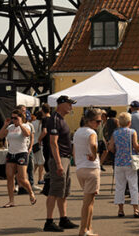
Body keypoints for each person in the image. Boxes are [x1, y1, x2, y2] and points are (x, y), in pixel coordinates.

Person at [42, 95, 78, 232]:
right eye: (69, 104)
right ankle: (49, 221)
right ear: (61, 104)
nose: (71, 107)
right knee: (55, 190)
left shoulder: (61, 119)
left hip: (65, 158)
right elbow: (53, 143)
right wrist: (58, 164)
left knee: (64, 190)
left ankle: (63, 218)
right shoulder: (55, 119)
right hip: (59, 158)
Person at [108, 111, 139, 218]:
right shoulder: (132, 132)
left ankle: (121, 210)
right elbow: (135, 145)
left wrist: (116, 152)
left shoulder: (115, 133)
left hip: (118, 162)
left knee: (120, 186)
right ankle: (136, 210)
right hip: (130, 162)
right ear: (129, 122)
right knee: (133, 186)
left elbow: (110, 147)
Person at [74, 108, 102, 236]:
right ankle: (83, 230)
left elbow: (74, 150)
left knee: (90, 200)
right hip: (91, 169)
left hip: (80, 168)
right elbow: (93, 145)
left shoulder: (78, 132)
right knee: (88, 202)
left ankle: (88, 228)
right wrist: (94, 155)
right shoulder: (91, 132)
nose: (99, 124)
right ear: (90, 121)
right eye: (98, 121)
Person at [0, 110, 35, 207]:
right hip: (11, 154)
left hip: (21, 153)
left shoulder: (26, 126)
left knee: (22, 179)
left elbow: (27, 134)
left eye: (15, 118)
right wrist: (5, 125)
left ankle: (31, 192)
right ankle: (11, 201)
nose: (13, 120)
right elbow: (0, 135)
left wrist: (20, 124)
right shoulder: (10, 127)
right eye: (12, 118)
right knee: (9, 177)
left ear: (21, 118)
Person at [30, 109, 46, 186]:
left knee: (36, 162)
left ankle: (30, 177)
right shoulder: (41, 123)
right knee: (41, 162)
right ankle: (40, 178)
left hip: (33, 143)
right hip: (40, 144)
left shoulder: (32, 123)